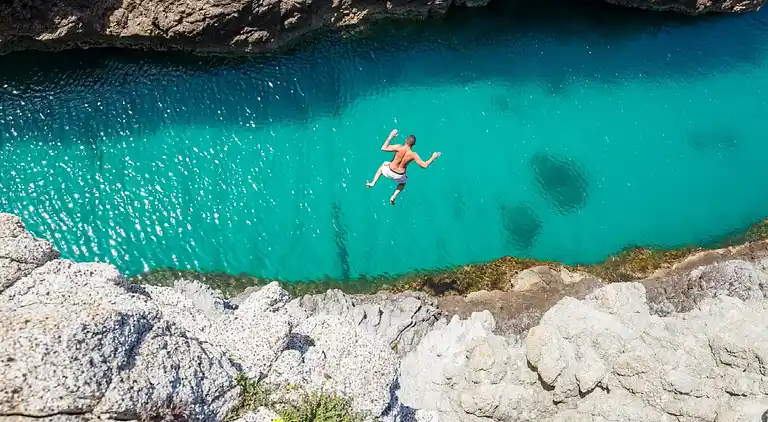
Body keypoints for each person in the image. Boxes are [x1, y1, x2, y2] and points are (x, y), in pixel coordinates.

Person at [365, 129, 441, 205]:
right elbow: (425, 165)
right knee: (402, 183)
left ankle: (373, 183)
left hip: (389, 170)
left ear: (405, 140)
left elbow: (384, 148)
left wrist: (391, 135)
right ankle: (393, 196)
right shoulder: (413, 154)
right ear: (413, 145)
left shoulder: (399, 147)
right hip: (399, 175)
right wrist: (433, 157)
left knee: (382, 168)